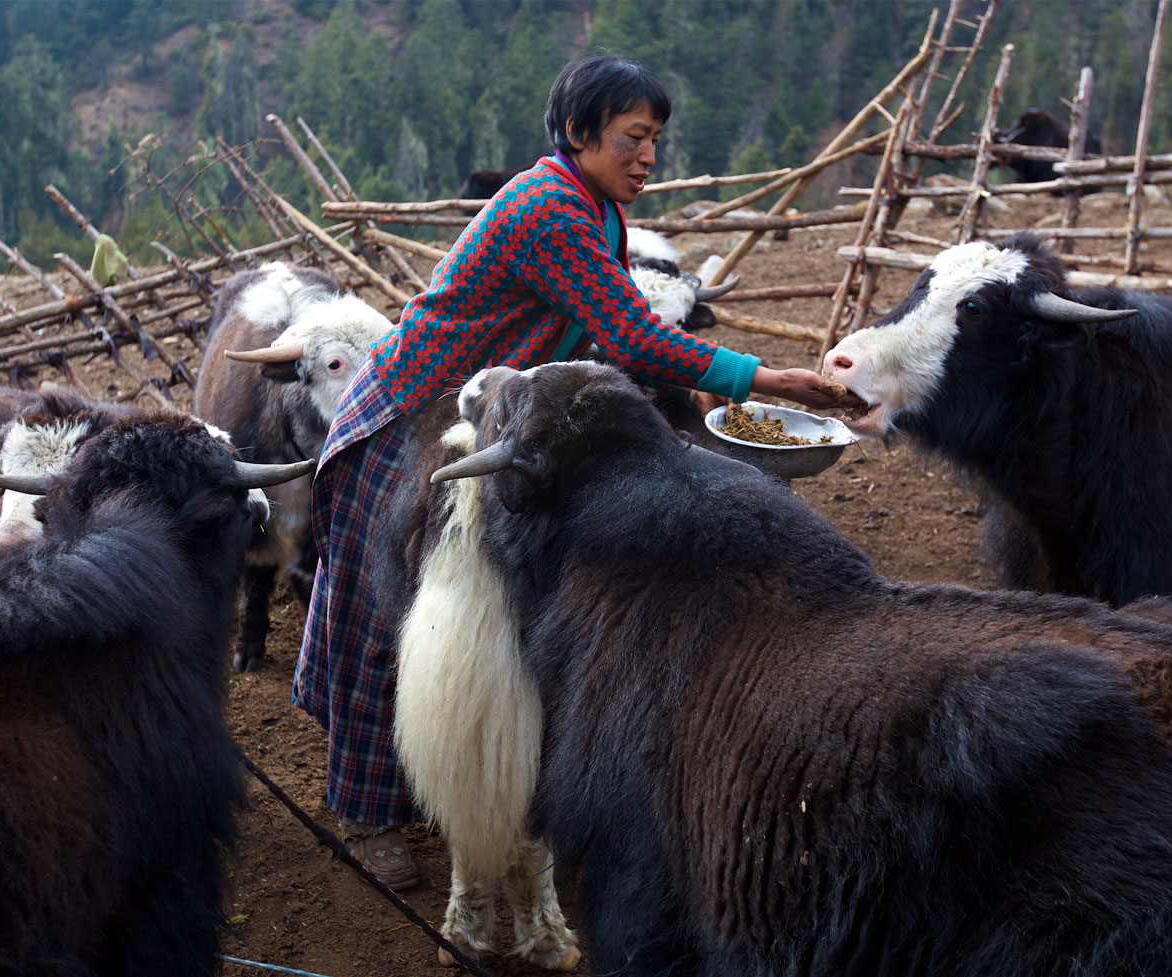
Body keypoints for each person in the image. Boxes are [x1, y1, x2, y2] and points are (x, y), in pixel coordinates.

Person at [293, 53, 855, 890]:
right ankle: (365, 809)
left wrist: (697, 403)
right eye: (633, 137)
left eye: (656, 139)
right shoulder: (550, 209)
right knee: (384, 618)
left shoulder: (591, 208)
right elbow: (629, 335)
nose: (647, 156)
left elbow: (600, 330)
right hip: (403, 421)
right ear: (579, 134)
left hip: (472, 416)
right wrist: (761, 378)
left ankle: (414, 788)